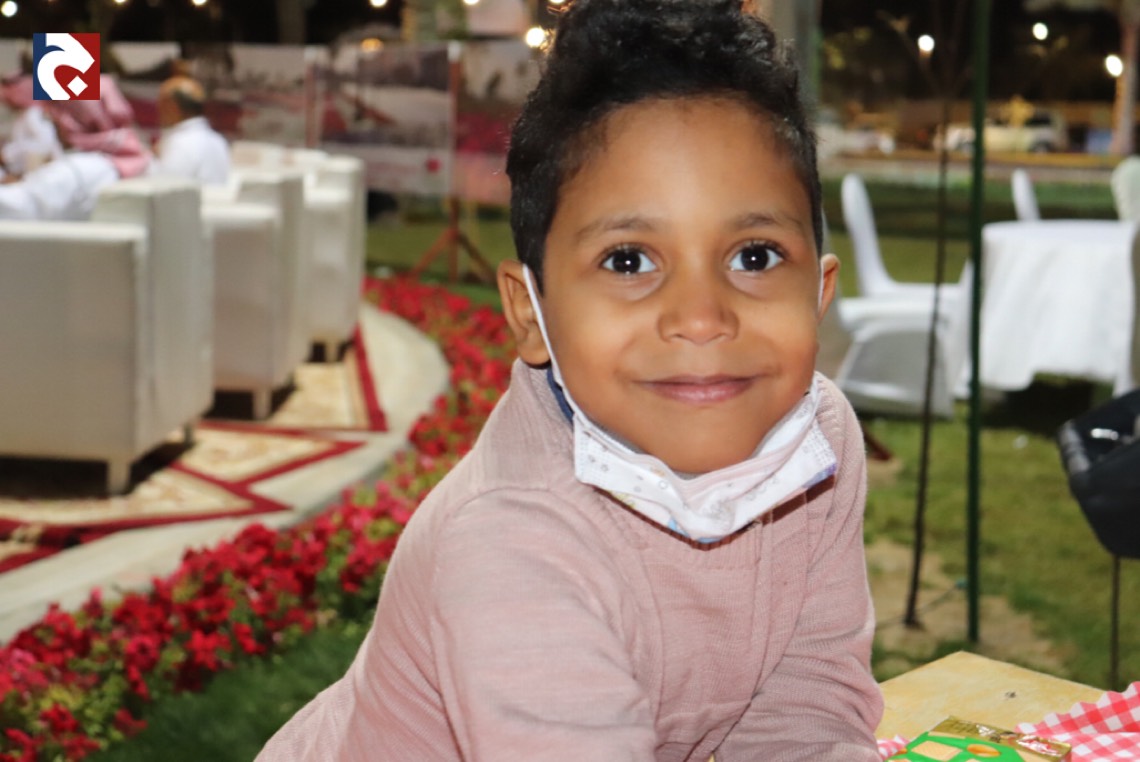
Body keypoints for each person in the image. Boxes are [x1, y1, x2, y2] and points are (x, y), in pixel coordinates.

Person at [257, 0, 883, 759]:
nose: (701, 318)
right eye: (629, 260)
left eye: (754, 256)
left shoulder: (818, 444)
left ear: (818, 294)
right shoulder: (511, 541)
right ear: (531, 312)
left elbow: (804, 710)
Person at [0, 75, 150, 220]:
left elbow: (18, 208)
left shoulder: (75, 171)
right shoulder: (137, 161)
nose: (50, 119)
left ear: (71, 119)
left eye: (55, 112)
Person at [149, 75, 230, 185]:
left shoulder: (178, 143)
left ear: (172, 106)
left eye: (161, 104)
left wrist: (152, 160)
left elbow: (164, 186)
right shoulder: (218, 140)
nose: (158, 111)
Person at [0, 73, 63, 179]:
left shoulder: (33, 114)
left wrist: (8, 153)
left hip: (47, 175)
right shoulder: (22, 115)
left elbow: (44, 142)